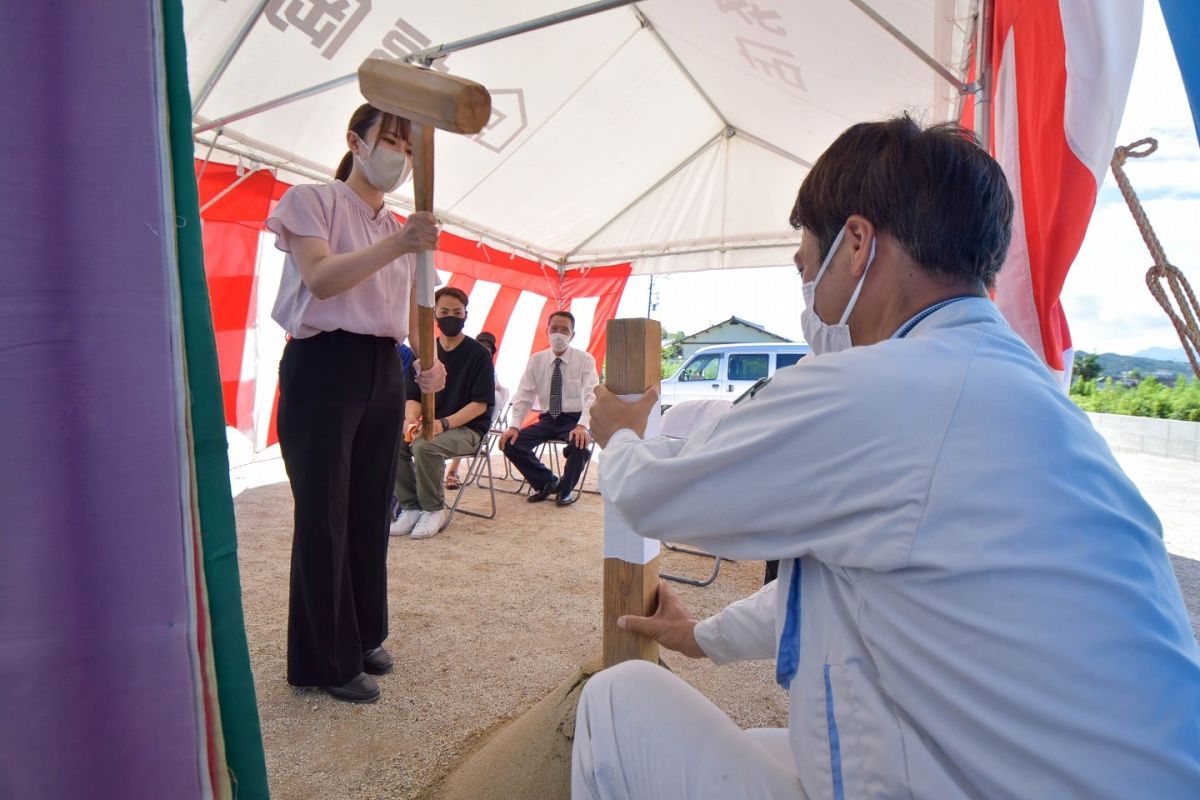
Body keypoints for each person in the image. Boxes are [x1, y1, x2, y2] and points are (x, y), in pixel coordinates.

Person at [574, 116, 1200, 799]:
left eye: (806, 266)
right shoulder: (1023, 391)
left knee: (616, 701)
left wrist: (622, 433)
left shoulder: (879, 387)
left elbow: (655, 497)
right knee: (772, 746)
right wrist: (701, 637)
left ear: (858, 245)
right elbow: (837, 586)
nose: (807, 294)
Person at [267, 103, 446, 704]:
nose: (398, 155)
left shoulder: (401, 226)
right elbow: (320, 278)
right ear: (356, 141)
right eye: (389, 140)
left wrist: (427, 362)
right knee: (324, 511)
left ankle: (363, 632)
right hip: (323, 365)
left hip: (382, 367)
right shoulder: (311, 200)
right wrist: (400, 242)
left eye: (407, 146)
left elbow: (414, 310)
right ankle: (323, 659)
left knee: (372, 507)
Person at [390, 287, 496, 539]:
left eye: (457, 312)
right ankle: (410, 506)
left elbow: (480, 405)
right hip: (432, 424)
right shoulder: (426, 352)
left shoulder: (479, 355)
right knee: (393, 442)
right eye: (445, 311)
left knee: (425, 446)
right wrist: (410, 419)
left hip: (468, 429)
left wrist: (444, 423)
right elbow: (412, 396)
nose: (451, 316)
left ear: (466, 315)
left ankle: (434, 508)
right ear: (434, 315)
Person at [499, 311, 598, 506]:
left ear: (572, 334)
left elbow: (591, 395)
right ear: (547, 331)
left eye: (564, 330)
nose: (558, 334)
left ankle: (566, 490)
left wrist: (583, 425)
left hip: (575, 419)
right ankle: (547, 482)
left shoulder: (585, 359)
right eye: (554, 329)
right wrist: (514, 426)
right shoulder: (536, 360)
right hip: (548, 419)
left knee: (579, 443)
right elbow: (524, 395)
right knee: (510, 443)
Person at [445, 330, 509, 490]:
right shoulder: (460, 367)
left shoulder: (492, 377)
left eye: (487, 349)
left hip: (472, 426)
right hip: (452, 419)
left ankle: (452, 471)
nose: (483, 351)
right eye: (480, 347)